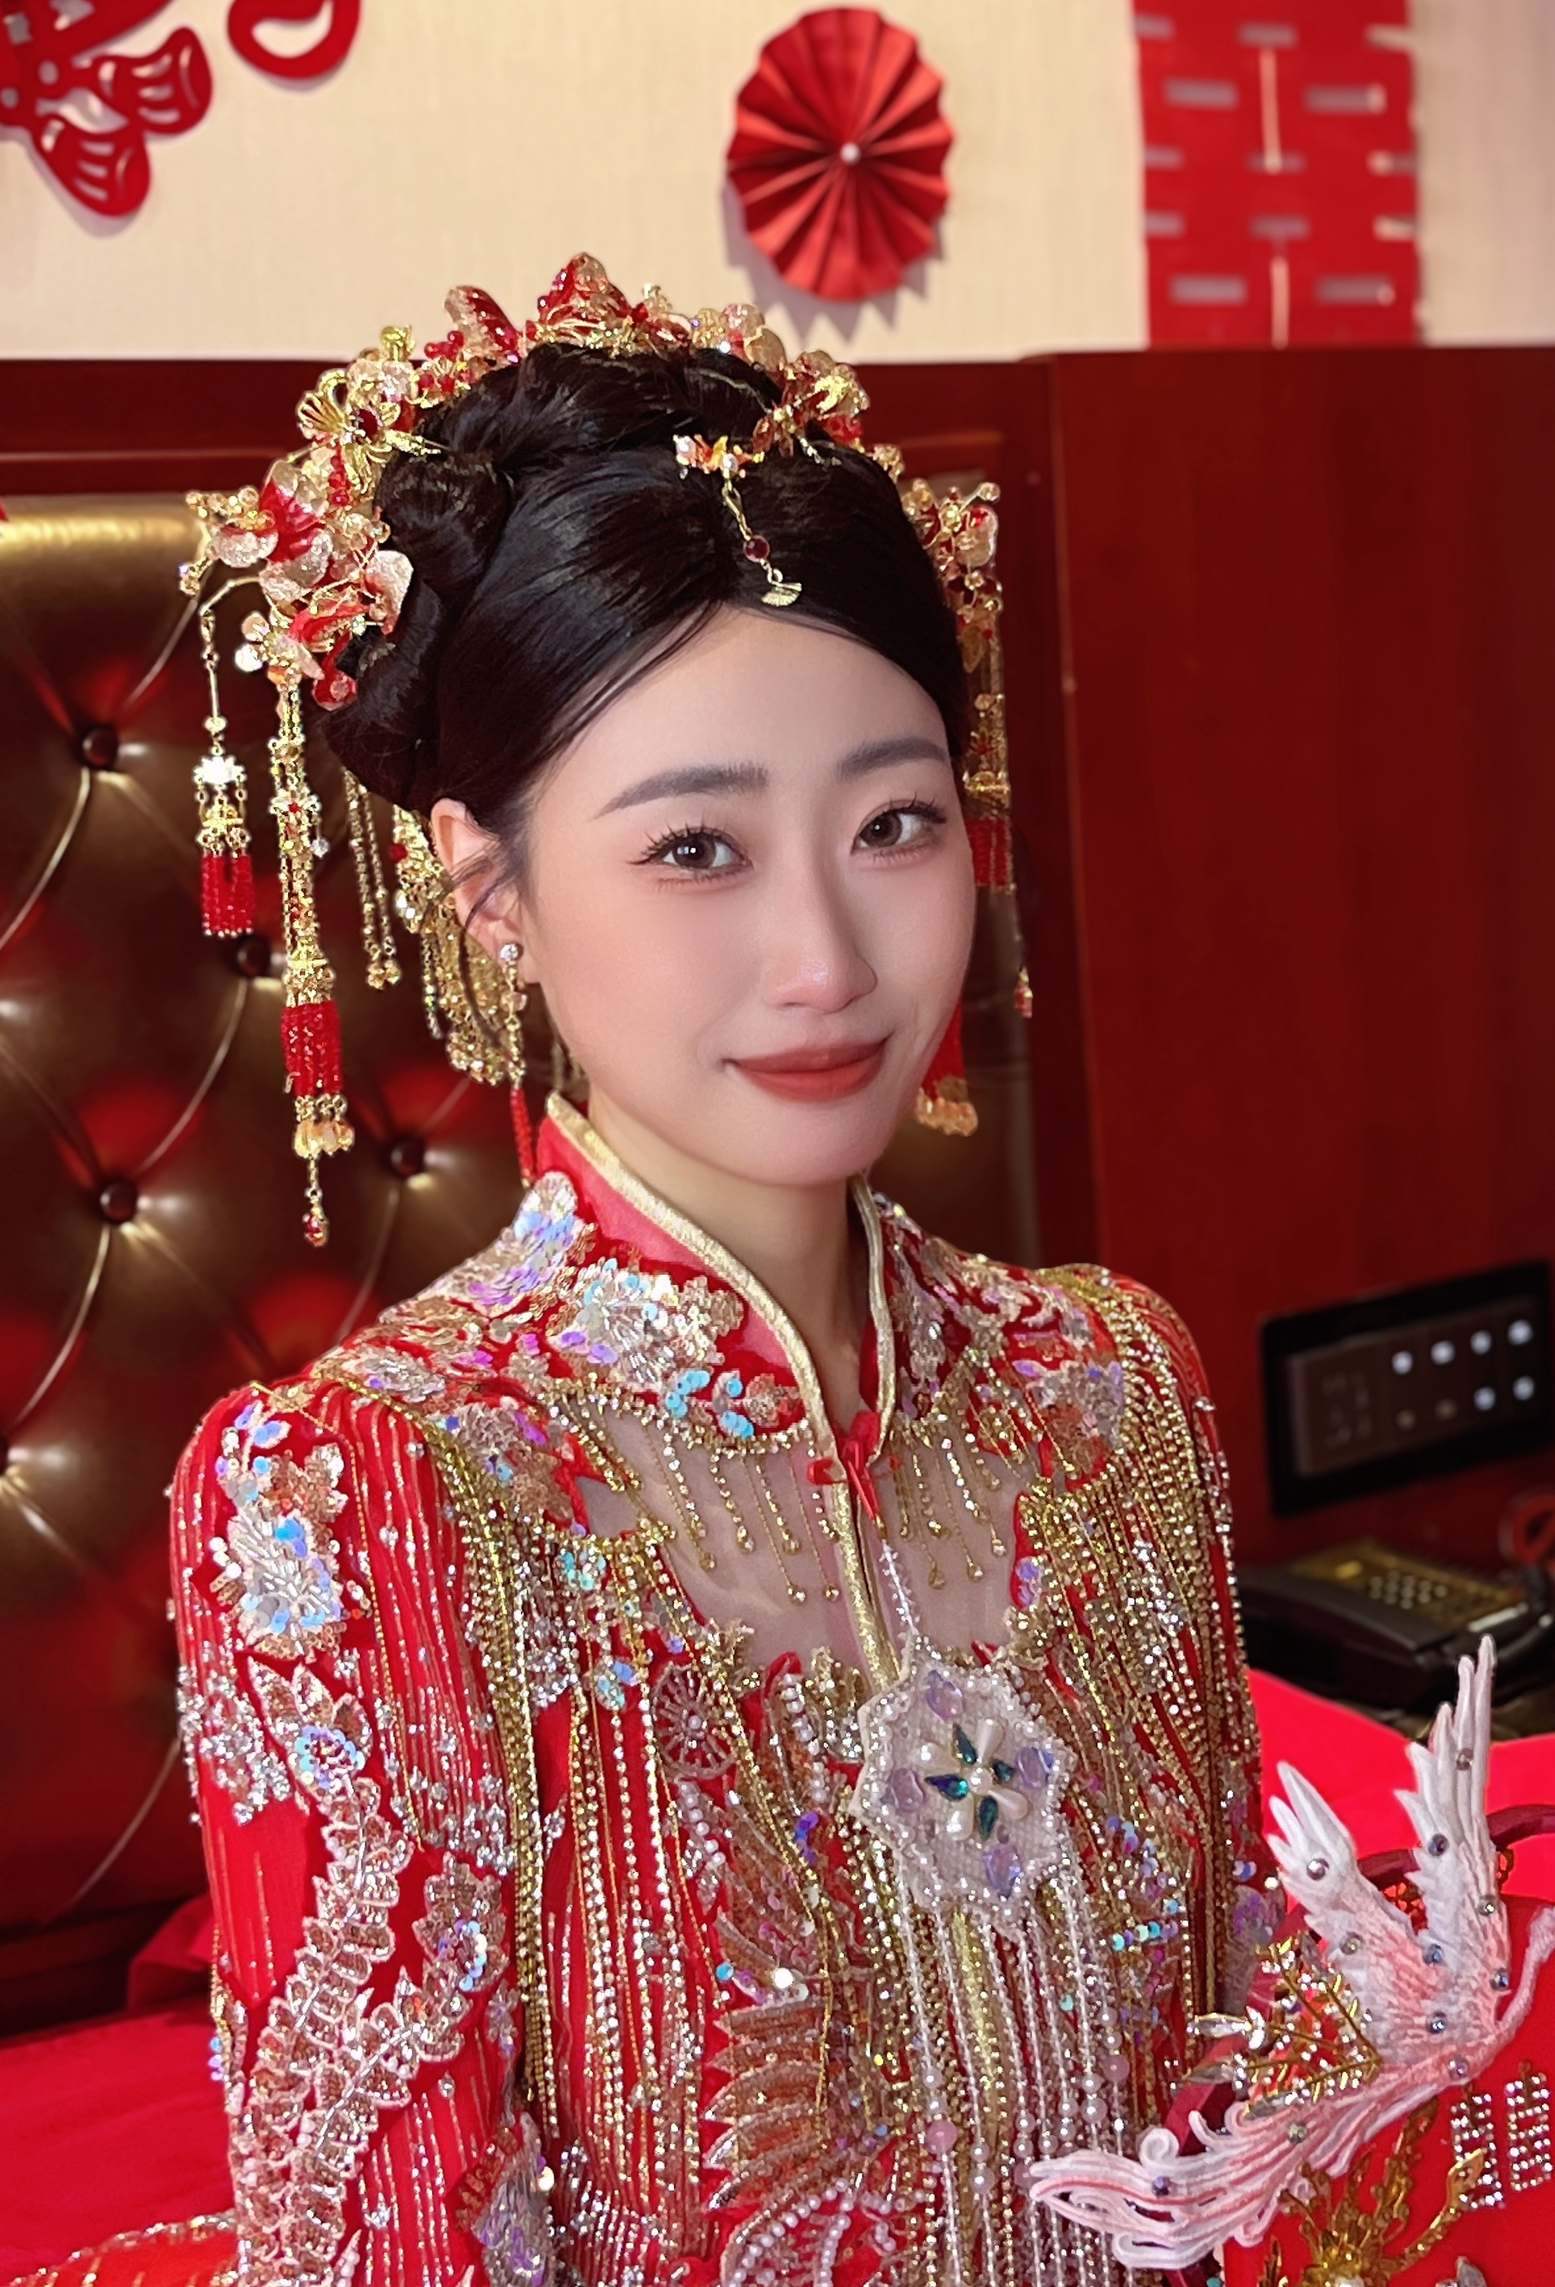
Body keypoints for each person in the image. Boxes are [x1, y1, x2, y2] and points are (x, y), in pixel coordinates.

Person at [159, 262, 1268, 2287]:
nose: (828, 962)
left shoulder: (1114, 1390)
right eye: (695, 849)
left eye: (895, 823)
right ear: (487, 888)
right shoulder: (371, 1492)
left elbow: (1238, 2103)